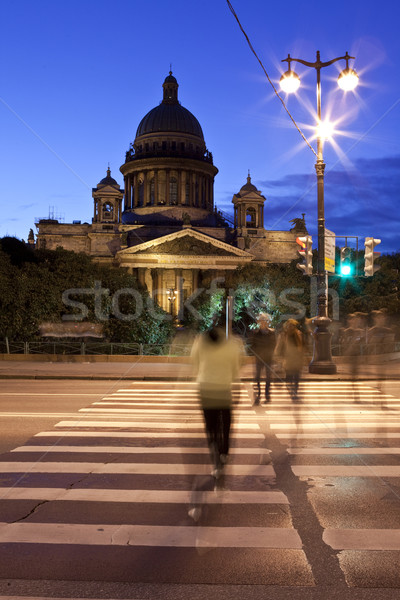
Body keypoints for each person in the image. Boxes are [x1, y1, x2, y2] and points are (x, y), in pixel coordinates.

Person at [190, 325, 244, 478]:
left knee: (211, 426)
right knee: (226, 425)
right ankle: (224, 452)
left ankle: (215, 456)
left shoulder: (200, 342)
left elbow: (195, 362)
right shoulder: (231, 345)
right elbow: (235, 369)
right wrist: (237, 390)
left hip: (206, 389)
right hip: (223, 390)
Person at [248, 313, 276, 405]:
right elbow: (252, 346)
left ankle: (267, 395)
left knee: (268, 378)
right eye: (261, 321)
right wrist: (256, 353)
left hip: (268, 358)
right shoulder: (256, 333)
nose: (263, 323)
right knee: (257, 378)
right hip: (259, 358)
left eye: (264, 321)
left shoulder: (272, 332)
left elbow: (273, 344)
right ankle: (258, 395)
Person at [276, 319, 304, 402]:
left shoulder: (299, 334)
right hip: (288, 360)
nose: (291, 327)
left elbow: (302, 346)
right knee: (289, 378)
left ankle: (294, 392)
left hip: (297, 360)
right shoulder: (283, 335)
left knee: (296, 378)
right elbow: (279, 346)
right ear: (286, 326)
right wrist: (277, 356)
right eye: (289, 325)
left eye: (293, 325)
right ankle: (291, 391)